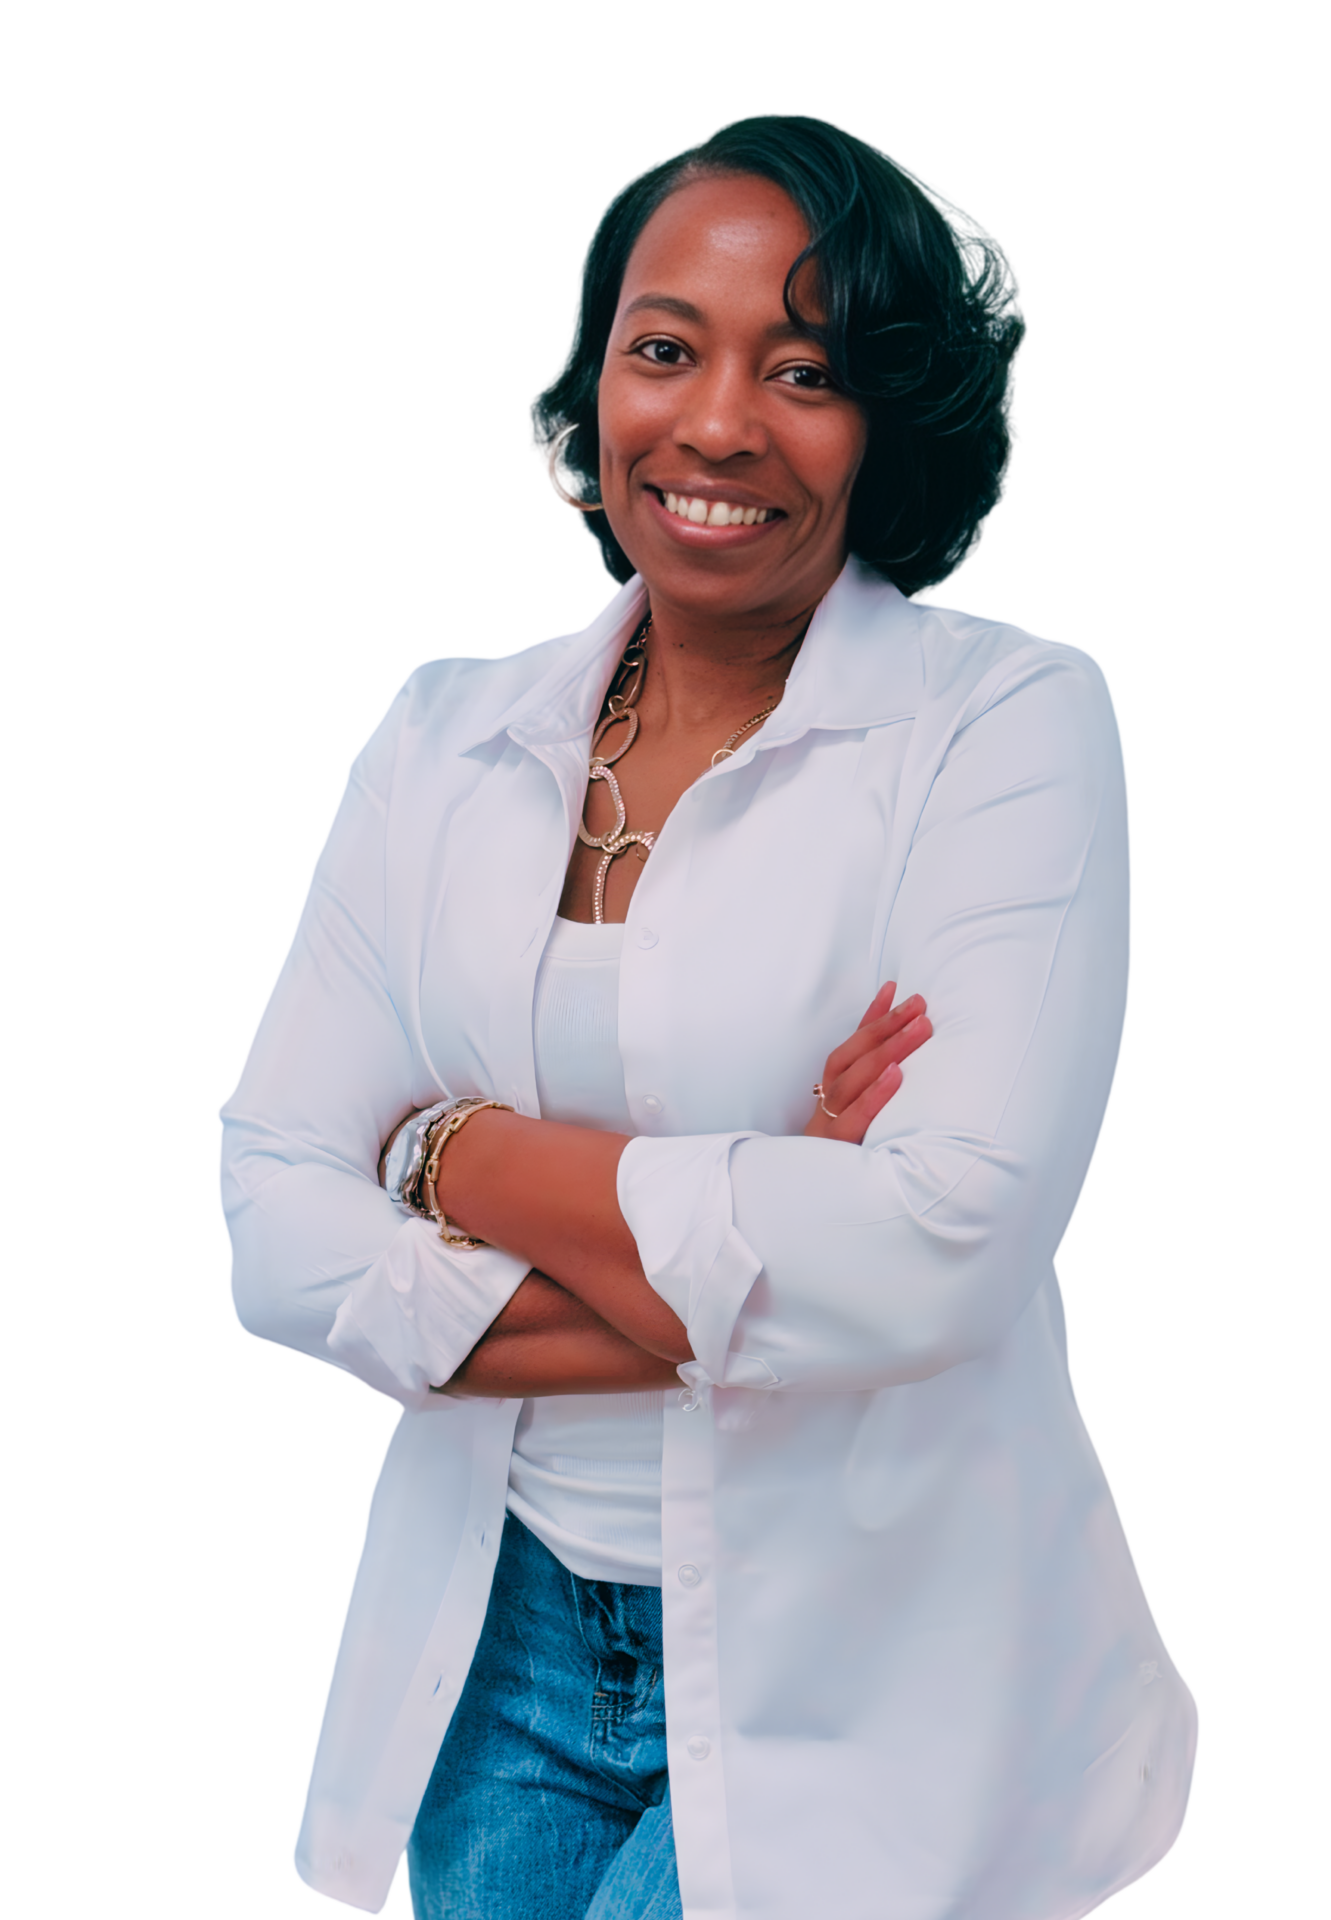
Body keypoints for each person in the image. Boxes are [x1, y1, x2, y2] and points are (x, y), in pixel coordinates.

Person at [218, 113, 1199, 1920]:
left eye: (805, 368)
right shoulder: (442, 732)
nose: (719, 423)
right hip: (497, 1640)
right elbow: (276, 1226)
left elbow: (937, 1257)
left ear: (887, 418)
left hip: (877, 1646)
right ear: (592, 386)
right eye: (663, 348)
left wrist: (450, 1155)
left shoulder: (1004, 722)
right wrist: (756, 1225)